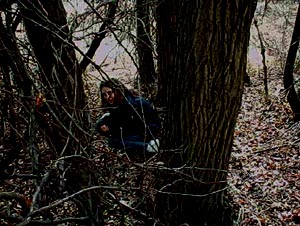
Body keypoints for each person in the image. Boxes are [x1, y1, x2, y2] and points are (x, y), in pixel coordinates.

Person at [95, 78, 161, 159]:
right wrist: (102, 126)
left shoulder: (130, 104)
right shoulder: (115, 106)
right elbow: (103, 122)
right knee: (114, 140)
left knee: (114, 141)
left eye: (110, 93)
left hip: (147, 132)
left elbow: (128, 125)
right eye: (104, 95)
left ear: (117, 91)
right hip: (136, 133)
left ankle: (148, 146)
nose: (108, 97)